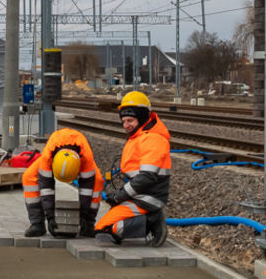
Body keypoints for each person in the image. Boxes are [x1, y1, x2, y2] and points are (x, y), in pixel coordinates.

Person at [94, 91, 171, 247]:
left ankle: (153, 222)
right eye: (123, 121)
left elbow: (147, 177)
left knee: (106, 230)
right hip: (138, 195)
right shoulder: (139, 135)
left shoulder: (153, 139)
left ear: (142, 117)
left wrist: (119, 196)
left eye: (130, 120)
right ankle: (147, 219)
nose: (125, 125)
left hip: (148, 198)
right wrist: (120, 196)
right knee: (101, 229)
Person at [21, 127, 103, 238]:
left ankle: (88, 225)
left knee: (97, 181)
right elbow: (46, 187)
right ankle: (37, 224)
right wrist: (50, 217)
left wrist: (83, 216)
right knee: (29, 176)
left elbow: (86, 189)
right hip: (54, 153)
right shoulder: (47, 157)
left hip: (81, 155)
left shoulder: (86, 157)